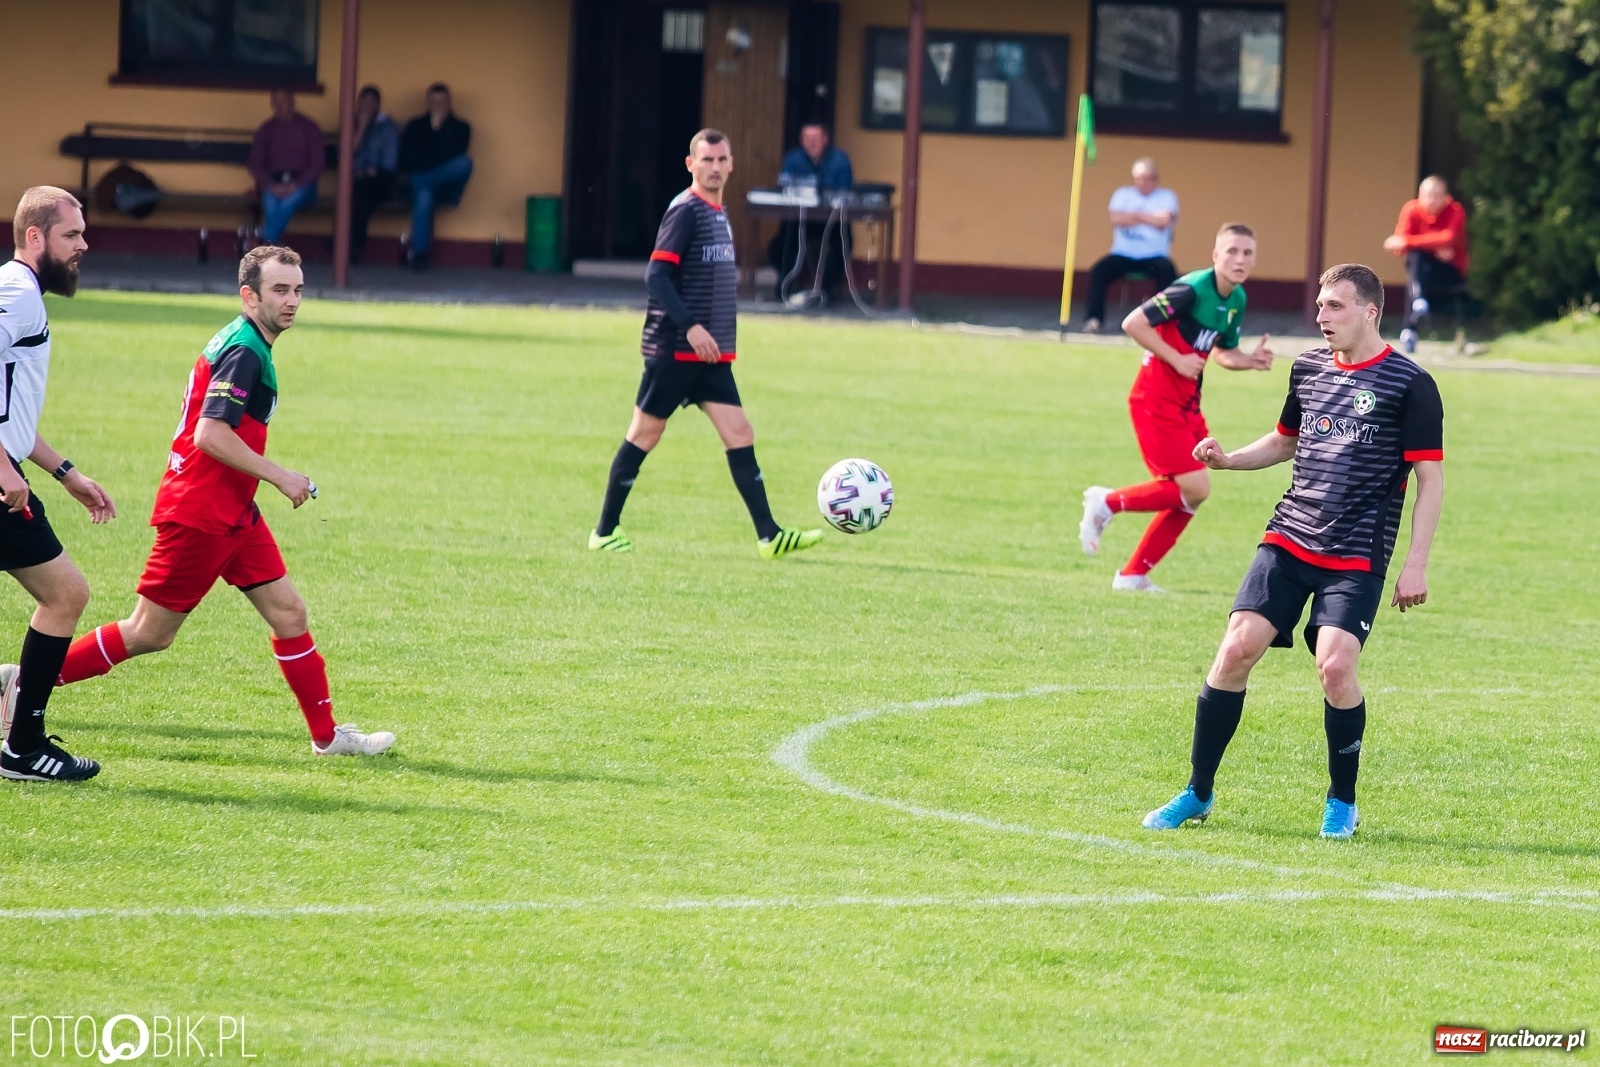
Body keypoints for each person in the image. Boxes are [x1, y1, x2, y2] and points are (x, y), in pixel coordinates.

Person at [52, 246, 396, 758]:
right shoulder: (244, 350)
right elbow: (211, 434)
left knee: (289, 613)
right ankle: (28, 681)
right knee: (149, 632)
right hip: (202, 512)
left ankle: (328, 738)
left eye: (298, 289)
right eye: (280, 290)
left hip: (232, 510)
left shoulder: (247, 341)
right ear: (248, 295)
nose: (292, 300)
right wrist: (280, 476)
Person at [1141, 263, 1444, 840]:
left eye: (1335, 307)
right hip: (1291, 534)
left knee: (1335, 666)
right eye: (1321, 306)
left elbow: (1430, 478)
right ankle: (1196, 793)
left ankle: (1342, 801)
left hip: (1357, 550)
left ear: (1370, 312)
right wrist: (1229, 459)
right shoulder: (1307, 368)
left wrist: (1416, 562)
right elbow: (1285, 440)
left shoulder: (1411, 384)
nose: (1321, 316)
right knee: (1235, 650)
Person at [590, 129, 824, 560]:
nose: (714, 167)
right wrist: (692, 327)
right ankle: (604, 531)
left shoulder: (719, 212)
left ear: (731, 164)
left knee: (740, 432)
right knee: (645, 432)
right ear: (690, 164)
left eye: (721, 160)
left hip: (711, 357)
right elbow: (656, 276)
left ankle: (769, 536)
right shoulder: (687, 212)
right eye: (707, 160)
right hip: (675, 350)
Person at [1079, 223, 1274, 591]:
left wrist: (1249, 360)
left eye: (1247, 253)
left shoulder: (1237, 300)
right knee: (1195, 487)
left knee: (1192, 495)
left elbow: (1221, 351)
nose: (1240, 259)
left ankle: (1133, 575)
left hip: (1186, 403)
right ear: (1215, 255)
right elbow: (1133, 322)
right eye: (1231, 251)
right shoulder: (1192, 289)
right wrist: (1177, 358)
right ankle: (1105, 501)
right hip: (1155, 399)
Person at [0, 187, 117, 782]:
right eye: (72, 235)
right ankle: (23, 747)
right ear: (36, 237)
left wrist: (64, 471)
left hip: (9, 479)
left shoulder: (22, 294)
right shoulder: (17, 292)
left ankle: (22, 740)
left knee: (65, 593)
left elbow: (10, 411)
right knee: (66, 594)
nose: (83, 245)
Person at [1082, 158, 1180, 333]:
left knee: (1168, 272)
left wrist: (1134, 215)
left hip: (1154, 257)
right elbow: (1115, 218)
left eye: (1148, 178)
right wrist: (1149, 217)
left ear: (1156, 179)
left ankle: (1161, 322)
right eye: (1140, 178)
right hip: (1123, 255)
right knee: (1098, 271)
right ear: (1134, 179)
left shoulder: (1167, 196)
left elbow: (1164, 221)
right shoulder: (1122, 194)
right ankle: (1094, 319)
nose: (1144, 182)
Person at [1384, 175, 1469, 355]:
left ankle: (1410, 327)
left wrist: (1409, 242)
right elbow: (1399, 250)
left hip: (1448, 272)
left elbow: (1448, 238)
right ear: (1419, 195)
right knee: (1415, 258)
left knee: (1415, 275)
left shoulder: (1455, 210)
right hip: (1421, 270)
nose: (1431, 200)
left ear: (1446, 197)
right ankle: (1418, 305)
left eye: (1437, 195)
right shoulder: (1411, 210)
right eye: (1427, 195)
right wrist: (1434, 247)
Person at [769, 123, 854, 303]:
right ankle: (785, 288)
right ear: (801, 141)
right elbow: (785, 184)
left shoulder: (840, 159)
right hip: (800, 220)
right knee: (781, 244)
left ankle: (829, 292)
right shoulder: (793, 158)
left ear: (825, 139)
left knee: (842, 243)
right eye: (807, 139)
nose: (811, 143)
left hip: (831, 221)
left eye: (815, 139)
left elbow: (845, 190)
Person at [398, 83, 472, 271]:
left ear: (449, 102)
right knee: (424, 196)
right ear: (427, 103)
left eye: (442, 102)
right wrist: (435, 156)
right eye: (434, 102)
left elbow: (454, 155)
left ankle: (422, 181)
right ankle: (419, 255)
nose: (438, 106)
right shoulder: (415, 126)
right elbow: (407, 160)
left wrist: (437, 131)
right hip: (420, 188)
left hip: (447, 189)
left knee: (464, 163)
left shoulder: (461, 127)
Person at [247, 90, 324, 245]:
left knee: (289, 199)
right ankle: (271, 243)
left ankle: (265, 241)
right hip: (274, 182)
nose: (280, 106)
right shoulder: (266, 129)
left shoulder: (309, 127)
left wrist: (295, 185)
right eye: (276, 102)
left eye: (284, 101)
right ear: (272, 105)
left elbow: (318, 164)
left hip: (303, 185)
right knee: (270, 199)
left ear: (293, 102)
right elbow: (255, 163)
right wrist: (271, 185)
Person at [347, 84, 399, 265]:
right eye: (364, 103)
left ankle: (350, 245)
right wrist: (361, 128)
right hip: (356, 179)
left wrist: (371, 171)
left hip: (382, 180)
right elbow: (346, 155)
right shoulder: (351, 124)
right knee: (357, 192)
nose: (367, 107)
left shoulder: (388, 127)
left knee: (361, 191)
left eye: (371, 103)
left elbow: (389, 163)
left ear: (378, 104)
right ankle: (351, 245)